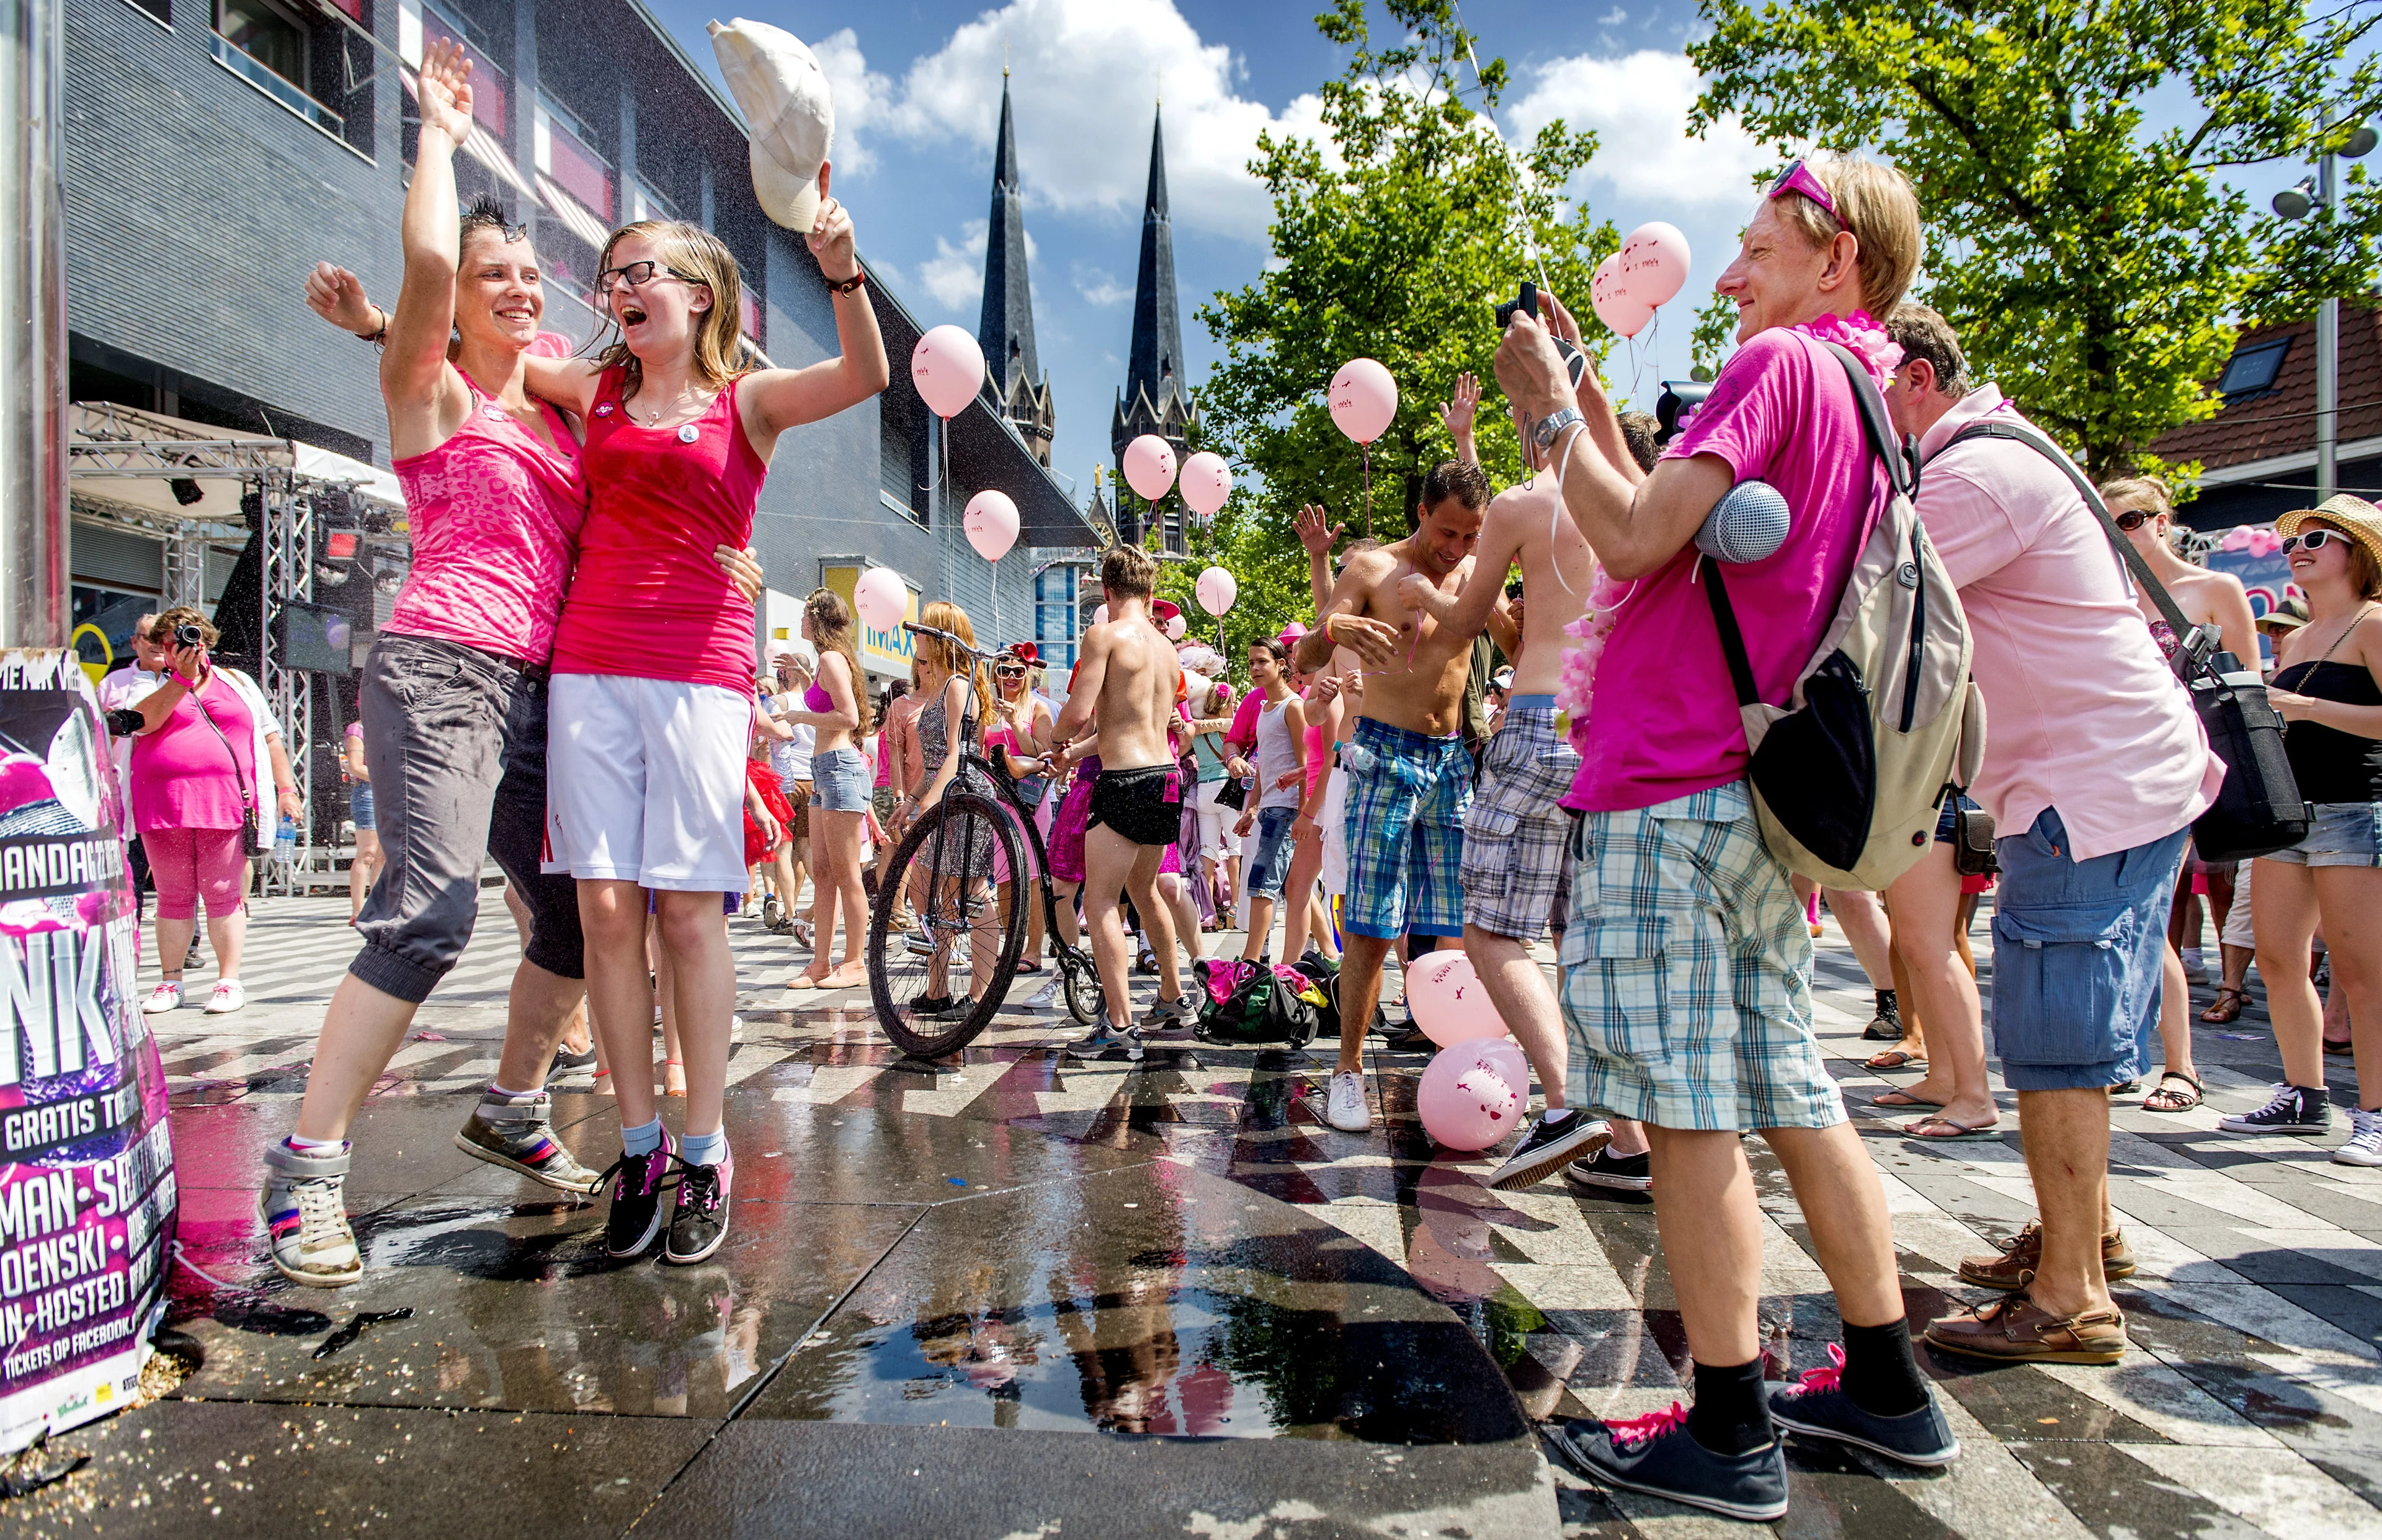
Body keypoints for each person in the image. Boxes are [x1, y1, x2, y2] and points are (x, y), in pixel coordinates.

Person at [1495, 154, 1954, 1516]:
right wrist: (1583, 395)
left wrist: (1538, 425)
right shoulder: (1864, 398)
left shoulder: (1780, 370)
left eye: (1759, 249)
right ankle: (1886, 1386)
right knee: (1789, 1083)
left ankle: (1730, 1425)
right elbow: (1681, 528)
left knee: (1688, 1109)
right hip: (1752, 791)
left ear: (1840, 264)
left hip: (1672, 783)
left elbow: (1631, 539)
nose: (1734, 275)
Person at [277, 41, 769, 1289]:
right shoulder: (428, 392)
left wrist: (724, 556)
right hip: (445, 667)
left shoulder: (560, 408)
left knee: (578, 912)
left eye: (525, 274)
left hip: (557, 682)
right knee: (431, 912)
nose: (511, 287)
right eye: (491, 274)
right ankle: (307, 1175)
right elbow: (432, 279)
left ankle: (510, 1099)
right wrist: (438, 133)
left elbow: (660, 470)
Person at [522, 65, 888, 1265]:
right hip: (590, 664)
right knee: (605, 907)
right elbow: (488, 358)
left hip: (700, 671)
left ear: (699, 292)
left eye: (643, 270)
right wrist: (385, 322)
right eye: (611, 272)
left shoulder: (751, 402)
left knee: (686, 913)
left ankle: (701, 1145)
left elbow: (869, 377)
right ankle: (634, 1147)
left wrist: (839, 266)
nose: (619, 285)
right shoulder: (599, 394)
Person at [1855, 305, 2216, 1366]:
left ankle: (2071, 1300)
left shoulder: (1972, 479)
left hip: (2085, 790)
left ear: (1914, 381)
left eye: (1864, 400)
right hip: (2111, 778)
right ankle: (2083, 1235)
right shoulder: (2009, 452)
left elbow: (1865, 602)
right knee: (2070, 1036)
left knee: (2055, 1042)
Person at [1391, 314, 1630, 1192]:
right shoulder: (1636, 494)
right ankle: (1631, 1153)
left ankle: (1567, 1104)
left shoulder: (1529, 506)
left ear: (1533, 410)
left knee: (1493, 929)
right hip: (1613, 735)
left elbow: (1463, 620)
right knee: (1579, 939)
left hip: (1534, 724)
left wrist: (1416, 584)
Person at [1293, 461, 1491, 1134]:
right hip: (1384, 753)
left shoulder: (1474, 569)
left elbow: (1517, 638)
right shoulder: (1373, 569)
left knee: (1452, 928)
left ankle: (1458, 1061)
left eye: (1471, 534)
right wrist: (1335, 632)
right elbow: (1306, 657)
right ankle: (1347, 1071)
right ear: (1420, 511)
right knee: (1374, 927)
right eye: (1447, 531)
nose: (1457, 547)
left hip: (1452, 759)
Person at [2226, 493, 2382, 1165]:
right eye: (2296, 538)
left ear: (2359, 553)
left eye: (2319, 537)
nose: (2300, 546)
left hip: (2353, 810)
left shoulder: (2374, 622)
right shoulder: (2298, 636)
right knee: (2281, 958)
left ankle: (2374, 1111)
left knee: (2361, 971)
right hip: (2288, 814)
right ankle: (2303, 1094)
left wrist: (2307, 706)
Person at [2102, 474, 2257, 1113]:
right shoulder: (2104, 601)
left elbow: (2249, 693)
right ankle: (2129, 1053)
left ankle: (2180, 1065)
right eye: (2109, 525)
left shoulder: (2214, 589)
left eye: (2134, 519)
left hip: (2192, 770)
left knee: (2153, 909)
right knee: (2129, 915)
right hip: (2117, 770)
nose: (2124, 534)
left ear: (2164, 519)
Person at [126, 608, 302, 1017]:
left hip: (223, 800)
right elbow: (143, 723)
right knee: (172, 895)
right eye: (170, 643)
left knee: (223, 891)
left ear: (205, 642)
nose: (181, 648)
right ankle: (171, 980)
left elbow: (271, 738)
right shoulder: (145, 686)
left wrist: (286, 789)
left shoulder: (238, 683)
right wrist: (181, 680)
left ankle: (228, 980)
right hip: (163, 802)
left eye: (189, 639)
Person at [1054, 546, 1190, 1053]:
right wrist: (1077, 753)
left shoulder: (1104, 634)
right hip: (1166, 779)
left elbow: (1077, 712)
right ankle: (1174, 998)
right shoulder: (1165, 647)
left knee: (1101, 899)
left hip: (1126, 781)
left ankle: (1118, 1024)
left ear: (1107, 592)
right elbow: (1127, 726)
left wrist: (1055, 742)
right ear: (1150, 593)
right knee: (1146, 889)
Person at [908, 603, 1005, 1011]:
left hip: (961, 792)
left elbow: (955, 753)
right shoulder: (942, 685)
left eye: (923, 628)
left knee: (971, 890)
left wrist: (928, 800)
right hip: (940, 789)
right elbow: (932, 758)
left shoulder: (957, 686)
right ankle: (937, 988)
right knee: (926, 888)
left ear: (941, 636)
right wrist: (913, 798)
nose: (916, 633)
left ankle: (980, 993)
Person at [781, 590, 873, 990]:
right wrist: (804, 683)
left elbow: (849, 718)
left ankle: (854, 962)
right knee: (822, 872)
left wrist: (802, 715)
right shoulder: (828, 661)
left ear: (816, 618)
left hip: (838, 768)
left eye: (804, 613)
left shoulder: (830, 659)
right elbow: (831, 700)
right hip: (824, 771)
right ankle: (821, 962)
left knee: (846, 873)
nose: (801, 620)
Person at [1228, 639, 1306, 966]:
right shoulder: (1264, 709)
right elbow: (1265, 765)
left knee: (1262, 881)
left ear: (1280, 665)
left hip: (1288, 809)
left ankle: (1251, 960)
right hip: (1269, 808)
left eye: (1262, 662)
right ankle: (1328, 954)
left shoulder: (1293, 707)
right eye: (1251, 663)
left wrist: (1305, 815)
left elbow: (1306, 765)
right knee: (1294, 888)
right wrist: (1252, 809)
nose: (1256, 669)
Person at [97, 615, 165, 922]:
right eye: (150, 637)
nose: (158, 644)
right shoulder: (113, 683)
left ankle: (188, 942)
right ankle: (131, 932)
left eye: (165, 637)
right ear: (135, 642)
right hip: (128, 793)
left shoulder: (184, 682)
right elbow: (96, 740)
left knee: (175, 872)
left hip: (167, 790)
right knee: (132, 868)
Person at [342, 718, 383, 925]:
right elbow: (356, 767)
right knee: (367, 853)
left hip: (390, 793)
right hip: (368, 793)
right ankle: (358, 910)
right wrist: (389, 777)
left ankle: (379, 907)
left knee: (384, 856)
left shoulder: (391, 725)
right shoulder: (358, 730)